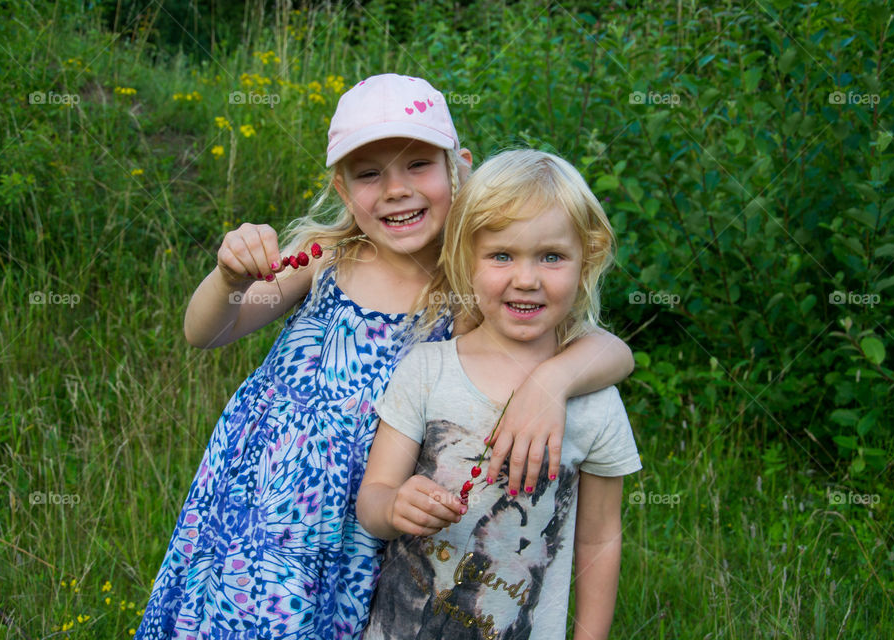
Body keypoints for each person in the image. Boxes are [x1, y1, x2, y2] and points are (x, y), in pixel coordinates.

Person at [137, 75, 634, 639]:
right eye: (370, 173)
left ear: (458, 169)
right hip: (261, 501)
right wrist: (228, 276)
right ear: (345, 191)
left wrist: (553, 381)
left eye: (417, 165)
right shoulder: (322, 257)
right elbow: (207, 332)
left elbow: (611, 350)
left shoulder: (474, 292)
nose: (396, 189)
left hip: (369, 519)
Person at [357, 149, 641, 640]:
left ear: (585, 261)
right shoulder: (427, 370)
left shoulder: (596, 405)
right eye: (501, 255)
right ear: (467, 259)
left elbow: (598, 540)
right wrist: (394, 507)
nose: (526, 279)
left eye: (552, 257)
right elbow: (373, 500)